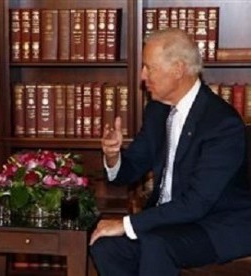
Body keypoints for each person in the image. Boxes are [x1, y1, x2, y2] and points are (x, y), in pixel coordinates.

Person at [89, 28, 251, 275]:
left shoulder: (221, 123)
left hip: (214, 225)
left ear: (178, 69)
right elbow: (132, 168)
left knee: (156, 245)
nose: (143, 76)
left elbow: (196, 204)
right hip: (169, 221)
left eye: (149, 67)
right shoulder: (157, 111)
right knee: (105, 246)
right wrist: (113, 156)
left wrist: (126, 223)